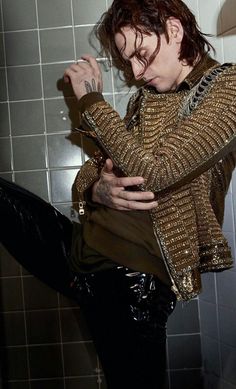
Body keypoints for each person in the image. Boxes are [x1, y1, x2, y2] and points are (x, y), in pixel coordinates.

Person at [63, 0, 236, 388]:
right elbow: (92, 171)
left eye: (141, 55)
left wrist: (91, 101)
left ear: (174, 31)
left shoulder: (229, 87)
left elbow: (154, 172)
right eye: (129, 64)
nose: (137, 74)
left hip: (133, 277)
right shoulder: (145, 100)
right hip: (84, 255)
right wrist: (96, 189)